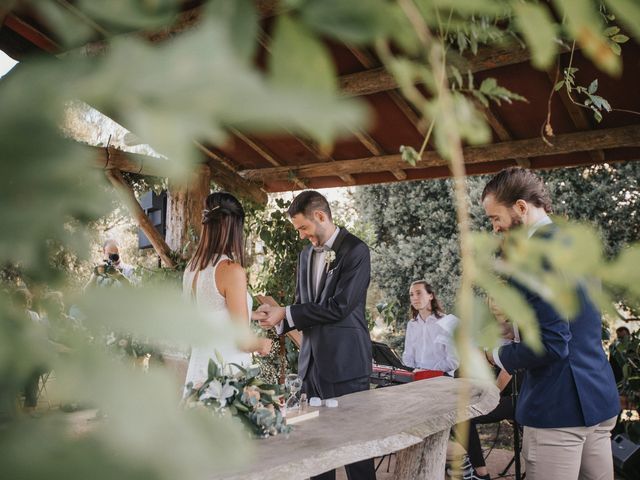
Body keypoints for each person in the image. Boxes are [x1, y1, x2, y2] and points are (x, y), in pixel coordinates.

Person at [481, 167, 620, 480]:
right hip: (596, 398)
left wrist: (497, 354)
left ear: (520, 207)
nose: (495, 228)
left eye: (495, 218)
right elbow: (578, 321)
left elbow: (552, 345)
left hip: (558, 408)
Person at [257, 190, 376, 480]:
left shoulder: (356, 251)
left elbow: (340, 307)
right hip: (310, 368)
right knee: (315, 453)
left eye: (303, 228)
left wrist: (286, 312)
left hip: (346, 366)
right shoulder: (305, 254)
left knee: (356, 453)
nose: (300, 235)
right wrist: (278, 320)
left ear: (321, 216)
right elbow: (303, 306)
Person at [182, 192, 271, 390]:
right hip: (226, 373)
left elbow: (212, 312)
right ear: (233, 227)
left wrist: (253, 314)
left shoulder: (192, 267)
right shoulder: (231, 271)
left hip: (199, 370)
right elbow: (243, 341)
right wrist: (263, 343)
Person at [402, 280, 458, 375]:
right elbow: (408, 356)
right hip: (415, 378)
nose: (415, 298)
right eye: (411, 294)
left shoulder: (447, 323)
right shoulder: (411, 324)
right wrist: (411, 372)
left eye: (419, 293)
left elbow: (453, 361)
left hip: (441, 378)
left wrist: (427, 372)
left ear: (430, 296)